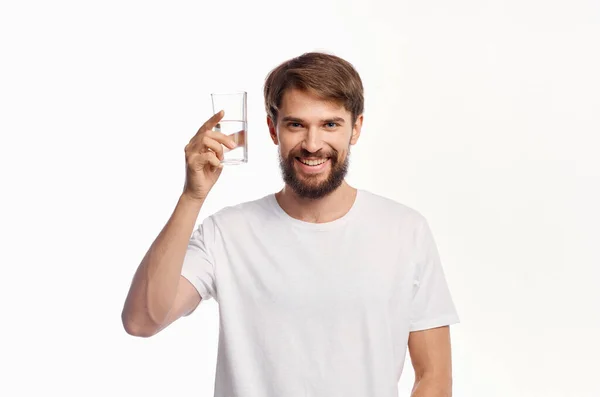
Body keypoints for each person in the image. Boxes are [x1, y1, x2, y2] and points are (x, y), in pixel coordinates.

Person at [121, 52, 460, 397]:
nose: (313, 145)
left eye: (330, 124)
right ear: (273, 129)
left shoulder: (404, 231)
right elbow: (142, 320)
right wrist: (192, 197)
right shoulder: (227, 234)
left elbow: (433, 376)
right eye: (296, 124)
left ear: (355, 128)